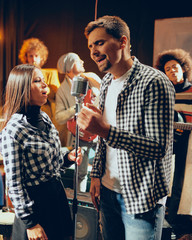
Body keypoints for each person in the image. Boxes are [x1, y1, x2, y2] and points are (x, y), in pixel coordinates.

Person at [76, 15, 175, 239]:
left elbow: (158, 147)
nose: (93, 51)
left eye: (99, 43)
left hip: (141, 198)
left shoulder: (155, 82)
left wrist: (105, 130)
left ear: (122, 42)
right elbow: (104, 142)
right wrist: (96, 175)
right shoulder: (108, 82)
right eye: (91, 46)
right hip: (108, 193)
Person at [0, 64, 81, 240]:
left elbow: (51, 166)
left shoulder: (43, 117)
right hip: (36, 207)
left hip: (56, 198)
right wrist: (31, 223)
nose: (45, 86)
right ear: (22, 88)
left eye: (44, 80)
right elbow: (14, 184)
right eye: (38, 81)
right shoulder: (13, 131)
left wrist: (67, 159)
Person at [155, 48, 192, 225]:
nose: (171, 71)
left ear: (183, 68)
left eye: (175, 67)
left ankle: (178, 221)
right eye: (167, 69)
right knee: (165, 181)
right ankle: (167, 219)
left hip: (188, 143)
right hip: (168, 143)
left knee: (182, 182)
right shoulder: (164, 93)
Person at [55, 52, 101, 192]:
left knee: (102, 173)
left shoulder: (90, 78)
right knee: (81, 174)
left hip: (98, 133)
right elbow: (59, 117)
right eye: (77, 60)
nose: (82, 61)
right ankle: (81, 204)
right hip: (80, 136)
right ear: (69, 67)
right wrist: (76, 108)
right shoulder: (62, 90)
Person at [18, 38, 66, 145]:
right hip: (26, 113)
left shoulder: (50, 74)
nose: (34, 59)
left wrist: (47, 90)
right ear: (26, 57)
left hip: (45, 113)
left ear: (41, 57)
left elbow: (58, 95)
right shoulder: (22, 74)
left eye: (36, 56)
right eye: (31, 56)